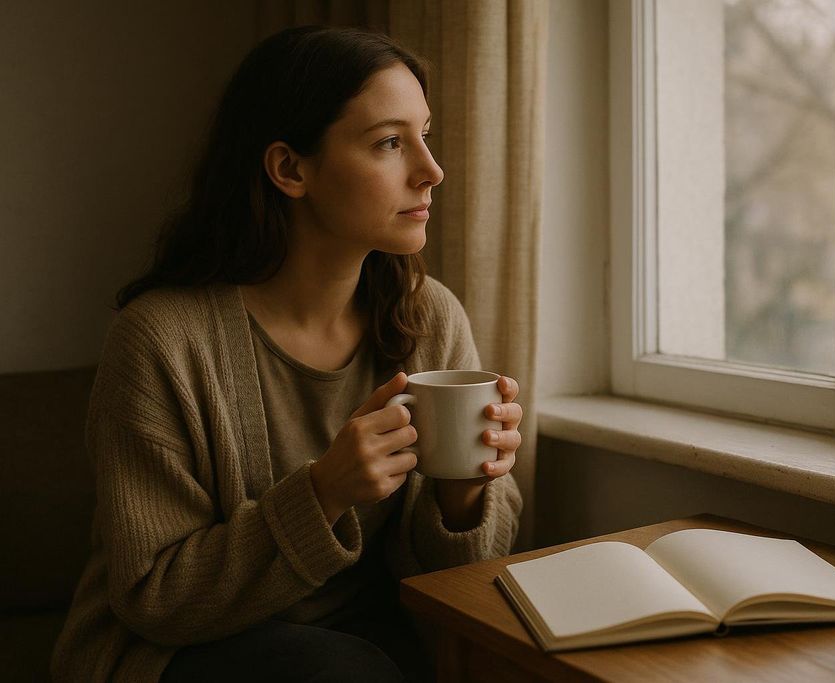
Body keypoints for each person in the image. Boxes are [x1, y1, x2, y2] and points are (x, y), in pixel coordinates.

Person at [50, 25, 523, 683]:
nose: (431, 169)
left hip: (369, 640)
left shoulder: (428, 316)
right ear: (289, 168)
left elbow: (456, 585)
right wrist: (324, 491)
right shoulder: (160, 339)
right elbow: (155, 598)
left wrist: (463, 497)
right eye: (390, 142)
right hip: (177, 653)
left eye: (426, 134)